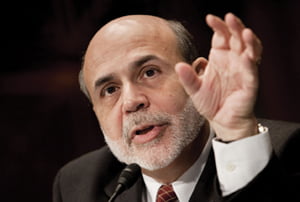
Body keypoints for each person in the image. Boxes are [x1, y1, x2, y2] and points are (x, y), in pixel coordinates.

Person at [53, 13, 300, 202]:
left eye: (149, 72)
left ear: (200, 76)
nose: (131, 102)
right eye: (110, 90)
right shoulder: (79, 184)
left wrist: (236, 133)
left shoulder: (288, 151)